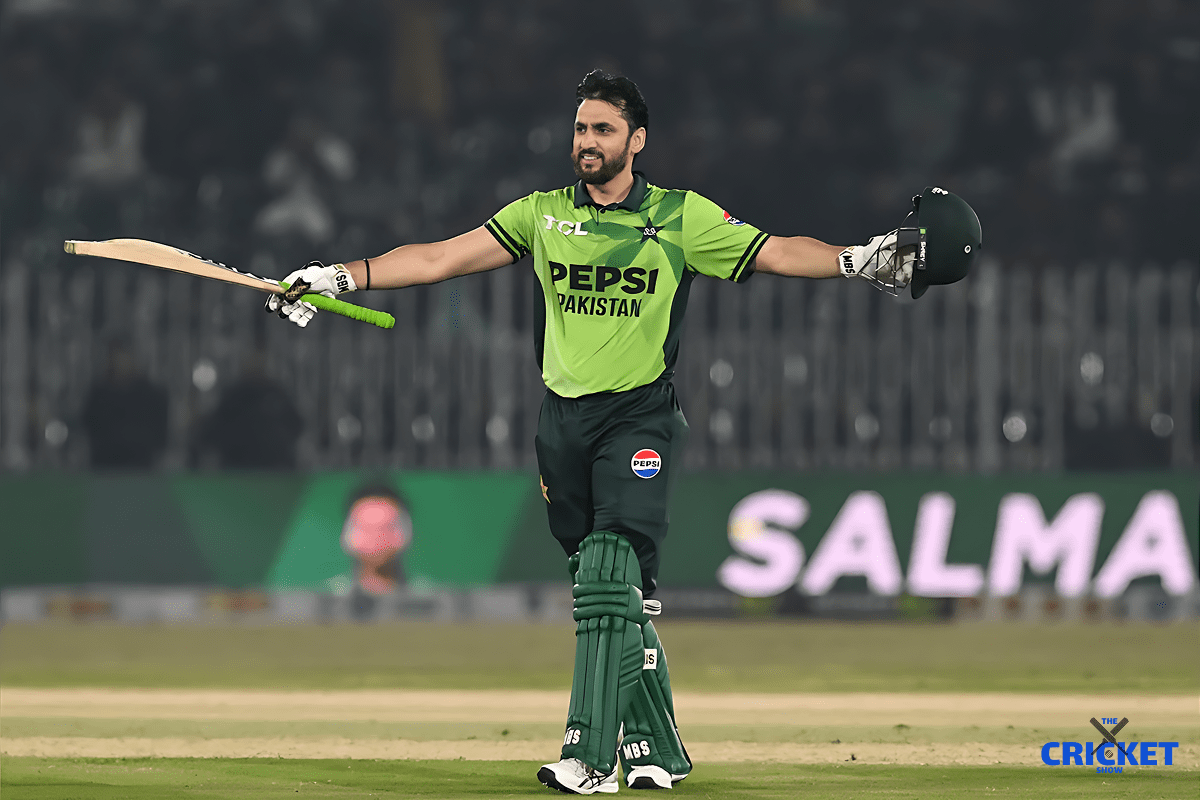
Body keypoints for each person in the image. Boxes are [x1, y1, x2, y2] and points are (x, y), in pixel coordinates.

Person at [267, 69, 978, 794]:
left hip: (637, 416)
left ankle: (589, 757)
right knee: (605, 591)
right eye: (580, 129)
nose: (587, 142)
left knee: (610, 569)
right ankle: (658, 754)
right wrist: (337, 276)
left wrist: (856, 261)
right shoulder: (542, 215)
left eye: (603, 130)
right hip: (562, 423)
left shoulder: (679, 216)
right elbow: (439, 258)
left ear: (636, 141)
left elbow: (775, 250)